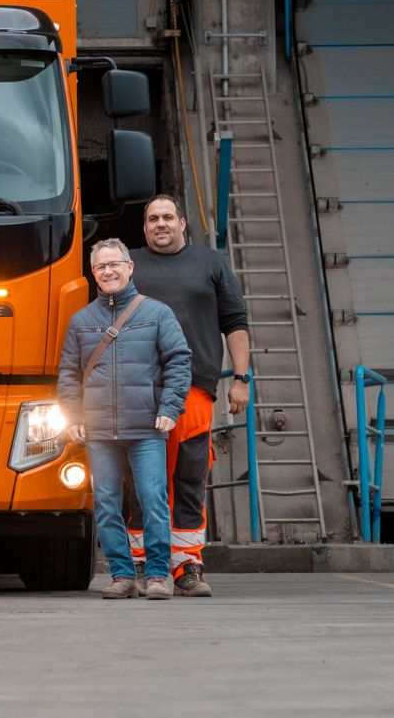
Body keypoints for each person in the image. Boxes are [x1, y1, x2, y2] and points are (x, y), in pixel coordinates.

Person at [127, 194, 251, 597]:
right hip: (138, 389)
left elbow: (235, 322)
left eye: (167, 217)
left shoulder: (211, 264)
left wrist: (241, 378)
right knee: (142, 480)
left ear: (182, 223)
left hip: (195, 390)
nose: (160, 224)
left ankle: (186, 566)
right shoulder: (127, 265)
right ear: (144, 226)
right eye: (152, 219)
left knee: (190, 475)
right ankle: (143, 562)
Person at [59, 238, 191, 600]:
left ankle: (158, 575)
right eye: (101, 266)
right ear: (93, 273)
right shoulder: (81, 321)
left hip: (147, 427)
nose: (108, 271)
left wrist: (169, 407)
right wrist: (73, 415)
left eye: (114, 264)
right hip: (99, 430)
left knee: (153, 501)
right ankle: (122, 575)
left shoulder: (157, 313)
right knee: (106, 505)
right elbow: (68, 373)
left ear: (129, 267)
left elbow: (179, 360)